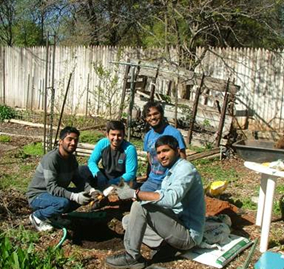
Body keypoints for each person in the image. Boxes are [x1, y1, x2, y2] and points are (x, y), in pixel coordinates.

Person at [106, 135, 205, 269]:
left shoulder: (185, 169)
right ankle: (167, 245)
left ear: (177, 150)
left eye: (166, 151)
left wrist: (135, 194)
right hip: (175, 224)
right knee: (128, 221)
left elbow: (170, 199)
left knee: (139, 207)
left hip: (188, 234)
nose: (161, 156)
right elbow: (160, 199)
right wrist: (135, 194)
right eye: (158, 153)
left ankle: (132, 257)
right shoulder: (171, 171)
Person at [26, 126, 95, 232]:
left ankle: (53, 216)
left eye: (75, 140)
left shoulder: (71, 159)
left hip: (53, 195)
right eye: (70, 139)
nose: (73, 143)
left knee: (85, 195)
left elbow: (78, 180)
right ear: (60, 141)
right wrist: (74, 196)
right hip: (38, 195)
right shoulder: (52, 159)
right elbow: (52, 188)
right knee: (62, 203)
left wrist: (91, 191)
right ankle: (37, 216)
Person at [140, 101, 186, 192]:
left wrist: (180, 180)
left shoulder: (174, 133)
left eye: (155, 113)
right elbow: (150, 159)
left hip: (170, 181)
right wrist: (147, 178)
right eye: (149, 115)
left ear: (161, 114)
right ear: (145, 118)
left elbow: (183, 158)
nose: (152, 117)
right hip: (152, 181)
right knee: (139, 201)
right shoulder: (148, 136)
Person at [80, 120, 138, 190]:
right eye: (113, 135)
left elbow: (130, 174)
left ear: (123, 135)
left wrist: (111, 183)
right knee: (82, 169)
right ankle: (90, 190)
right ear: (107, 135)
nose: (116, 138)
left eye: (119, 135)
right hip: (106, 176)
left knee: (131, 184)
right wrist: (99, 175)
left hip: (122, 179)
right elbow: (92, 161)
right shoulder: (103, 143)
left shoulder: (129, 149)